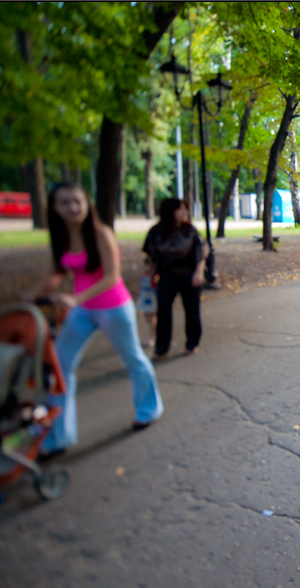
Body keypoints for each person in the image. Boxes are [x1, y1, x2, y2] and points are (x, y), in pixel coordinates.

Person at [25, 183, 163, 458]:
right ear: (54, 208)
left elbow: (112, 276)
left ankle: (149, 410)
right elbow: (58, 271)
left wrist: (74, 300)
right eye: (65, 202)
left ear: (87, 204)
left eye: (77, 201)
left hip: (113, 308)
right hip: (82, 310)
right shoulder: (62, 235)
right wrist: (34, 294)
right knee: (60, 367)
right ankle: (58, 437)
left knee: (133, 359)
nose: (73, 207)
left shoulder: (101, 233)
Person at [143, 197, 208, 360]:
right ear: (170, 211)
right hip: (166, 275)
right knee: (163, 311)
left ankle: (192, 343)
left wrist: (199, 273)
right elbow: (151, 256)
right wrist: (151, 276)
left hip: (189, 274)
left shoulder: (190, 230)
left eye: (185, 209)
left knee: (192, 311)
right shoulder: (156, 232)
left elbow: (201, 253)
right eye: (181, 209)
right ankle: (162, 348)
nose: (185, 212)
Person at [137, 254, 158, 347]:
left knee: (151, 318)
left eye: (148, 265)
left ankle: (153, 337)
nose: (146, 267)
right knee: (148, 318)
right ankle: (152, 336)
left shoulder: (155, 277)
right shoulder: (145, 275)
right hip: (145, 298)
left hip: (151, 300)